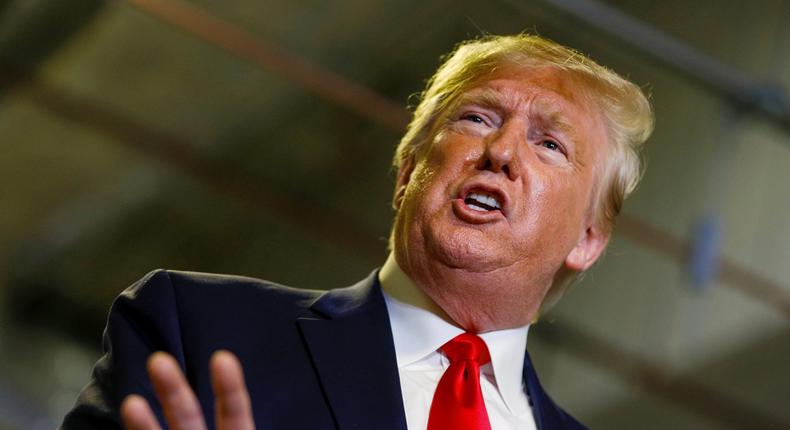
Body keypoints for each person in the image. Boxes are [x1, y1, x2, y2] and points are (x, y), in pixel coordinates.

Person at [61, 33, 653, 430]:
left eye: (549, 143)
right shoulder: (196, 327)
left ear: (587, 240)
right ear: (407, 173)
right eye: (476, 118)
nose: (500, 151)